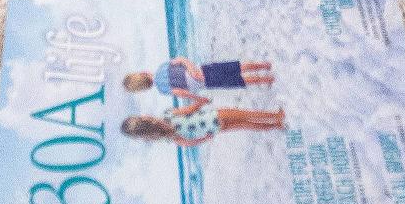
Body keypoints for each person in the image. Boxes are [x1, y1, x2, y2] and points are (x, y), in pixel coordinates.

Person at [121, 93, 287, 148]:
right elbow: (190, 110)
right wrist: (202, 101)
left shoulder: (169, 138)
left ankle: (276, 124)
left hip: (214, 129)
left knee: (246, 125)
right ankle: (276, 116)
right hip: (213, 116)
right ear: (143, 119)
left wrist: (206, 138)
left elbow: (190, 143)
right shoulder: (168, 115)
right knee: (246, 114)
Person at [122, 57, 275, 95]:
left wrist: (197, 97)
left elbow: (181, 92)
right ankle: (265, 65)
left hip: (203, 83)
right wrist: (193, 70)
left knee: (236, 80)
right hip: (201, 71)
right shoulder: (161, 68)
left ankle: (267, 79)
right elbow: (181, 59)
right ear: (142, 74)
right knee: (235, 67)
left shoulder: (162, 90)